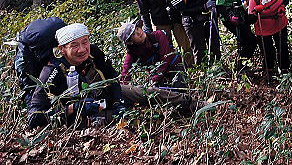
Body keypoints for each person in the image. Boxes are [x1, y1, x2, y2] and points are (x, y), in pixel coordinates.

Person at [27, 24, 197, 129]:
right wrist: (73, 108)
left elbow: (113, 78)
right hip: (82, 114)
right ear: (62, 49)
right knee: (135, 121)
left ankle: (195, 105)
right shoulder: (52, 71)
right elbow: (34, 117)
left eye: (85, 42)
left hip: (105, 94)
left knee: (149, 93)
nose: (82, 49)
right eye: (74, 45)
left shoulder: (94, 52)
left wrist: (118, 101)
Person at [160, 0, 220, 66]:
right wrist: (204, 7)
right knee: (200, 51)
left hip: (209, 15)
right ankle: (203, 73)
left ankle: (219, 69)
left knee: (215, 46)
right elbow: (183, 10)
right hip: (193, 23)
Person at [118, 18, 186, 89]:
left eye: (137, 29)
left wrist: (153, 80)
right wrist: (124, 87)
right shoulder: (133, 52)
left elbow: (166, 59)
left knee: (179, 88)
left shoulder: (158, 35)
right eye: (133, 34)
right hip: (157, 75)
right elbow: (126, 71)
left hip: (174, 67)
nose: (138, 33)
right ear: (130, 42)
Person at [248, 0, 291, 75]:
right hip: (264, 29)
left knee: (282, 47)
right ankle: (269, 71)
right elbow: (250, 19)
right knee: (267, 51)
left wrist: (282, 6)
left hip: (279, 23)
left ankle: (285, 70)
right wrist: (256, 12)